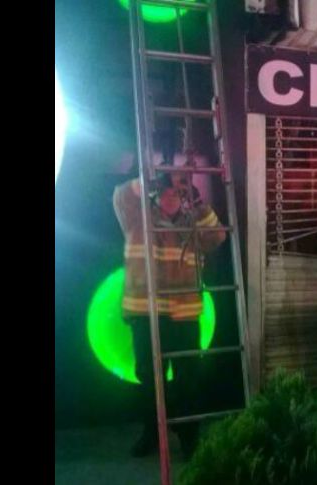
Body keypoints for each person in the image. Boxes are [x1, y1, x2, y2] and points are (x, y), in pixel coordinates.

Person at [112, 134, 226, 459]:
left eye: (178, 192)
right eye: (168, 191)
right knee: (149, 380)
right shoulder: (138, 217)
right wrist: (156, 174)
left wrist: (199, 200)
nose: (172, 197)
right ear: (156, 193)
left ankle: (190, 436)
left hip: (183, 315)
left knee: (189, 380)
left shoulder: (192, 222)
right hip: (145, 315)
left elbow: (216, 237)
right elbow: (122, 194)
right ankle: (152, 432)